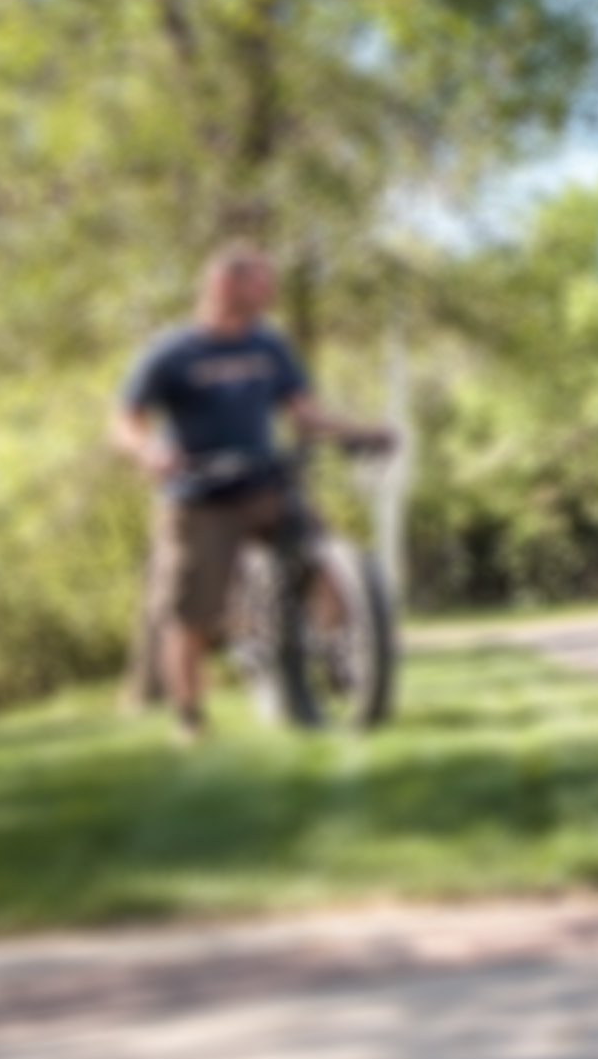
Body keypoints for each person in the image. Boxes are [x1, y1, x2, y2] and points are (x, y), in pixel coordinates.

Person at [115, 245, 395, 740]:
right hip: (198, 496)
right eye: (261, 282)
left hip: (264, 484)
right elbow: (124, 421)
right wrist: (150, 452)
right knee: (190, 611)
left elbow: (304, 414)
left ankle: (343, 660)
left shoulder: (269, 346)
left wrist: (361, 432)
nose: (272, 291)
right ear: (225, 286)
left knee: (326, 559)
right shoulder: (173, 351)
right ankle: (190, 719)